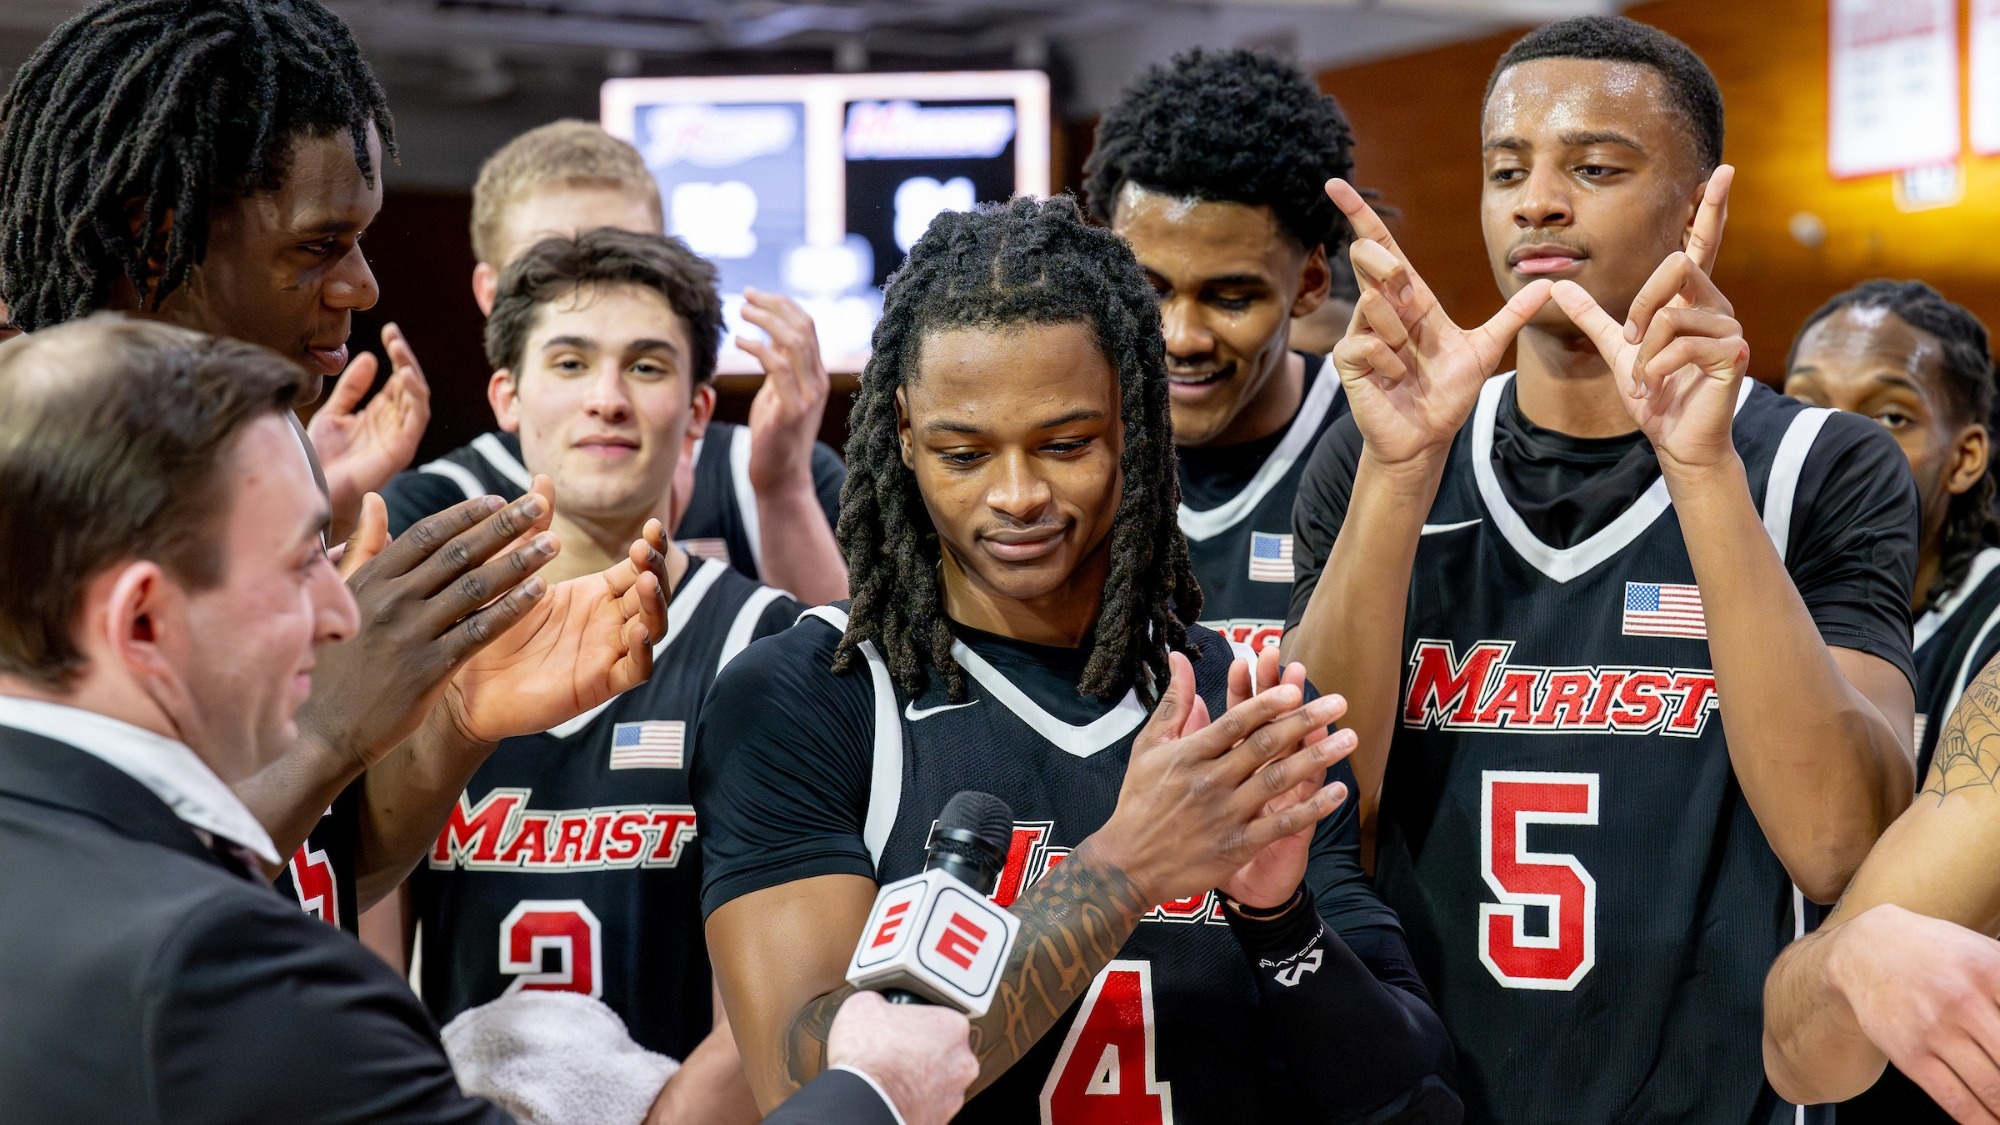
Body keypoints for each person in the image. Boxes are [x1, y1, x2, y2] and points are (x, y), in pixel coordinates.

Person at [0, 313, 992, 1125]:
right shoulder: (216, 964)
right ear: (140, 617)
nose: (340, 610)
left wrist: (427, 733)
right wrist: (870, 1095)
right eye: (303, 561)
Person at [694, 196, 1458, 1123]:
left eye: (1064, 444)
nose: (1018, 494)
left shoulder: (1229, 699)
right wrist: (1122, 872)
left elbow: (1401, 1092)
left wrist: (1277, 916)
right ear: (901, 431)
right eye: (963, 451)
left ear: (1133, 421)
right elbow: (806, 1086)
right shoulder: (805, 696)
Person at [1284, 15, 1920, 1124]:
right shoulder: (1378, 451)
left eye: (1591, 167)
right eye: (1504, 170)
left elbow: (1839, 848)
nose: (1534, 200)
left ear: (1691, 206)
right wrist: (1395, 475)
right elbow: (1318, 814)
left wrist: (1700, 471)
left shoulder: (1823, 465)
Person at [0, 0, 665, 932]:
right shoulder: (23, 484)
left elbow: (320, 863)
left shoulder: (267, 452)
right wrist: (332, 732)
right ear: (157, 240)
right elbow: (60, 926)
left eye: (360, 238)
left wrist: (449, 723)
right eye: (318, 247)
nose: (363, 283)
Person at [385, 229, 806, 1123]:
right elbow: (364, 964)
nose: (607, 400)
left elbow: (770, 1021)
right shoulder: (418, 635)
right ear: (507, 396)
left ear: (697, 412)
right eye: (571, 363)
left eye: (646, 368)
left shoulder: (768, 645)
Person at [398, 120, 849, 604]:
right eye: (554, 261)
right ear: (492, 294)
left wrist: (782, 493)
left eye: (626, 257)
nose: (596, 284)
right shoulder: (439, 502)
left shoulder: (769, 471)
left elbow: (863, 669)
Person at [1779, 280, 2000, 1124]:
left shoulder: (1987, 623)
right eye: (1803, 405)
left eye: (1889, 416)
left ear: (1966, 455)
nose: (1837, 441)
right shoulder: (1737, 599)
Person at [1084, 48, 1352, 654]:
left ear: (1309, 284)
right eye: (1147, 291)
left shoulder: (1384, 450)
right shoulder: (1051, 445)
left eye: (1230, 298)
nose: (1180, 337)